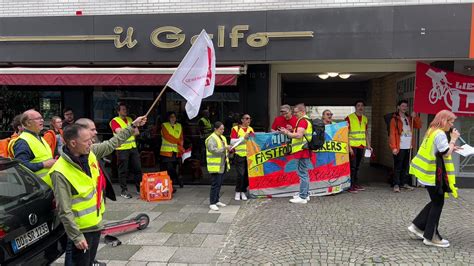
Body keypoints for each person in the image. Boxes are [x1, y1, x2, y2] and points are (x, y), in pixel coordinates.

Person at [408, 110, 459, 248]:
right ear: (444, 121)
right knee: (438, 203)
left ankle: (418, 226)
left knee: (436, 201)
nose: (452, 124)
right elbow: (445, 152)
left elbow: (438, 150)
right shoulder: (440, 134)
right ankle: (431, 237)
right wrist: (453, 140)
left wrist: (452, 147)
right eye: (451, 121)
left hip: (427, 173)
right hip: (433, 174)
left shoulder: (432, 130)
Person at [279, 103, 312, 204]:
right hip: (303, 150)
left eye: (296, 112)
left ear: (302, 112)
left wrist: (287, 133)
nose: (294, 114)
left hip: (301, 150)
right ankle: (305, 194)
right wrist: (289, 130)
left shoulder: (302, 121)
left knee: (302, 173)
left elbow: (298, 135)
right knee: (304, 173)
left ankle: (302, 197)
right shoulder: (306, 120)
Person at [109, 103, 142, 199]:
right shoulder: (114, 121)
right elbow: (120, 133)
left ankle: (139, 188)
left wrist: (129, 129)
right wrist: (131, 129)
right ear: (118, 111)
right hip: (122, 148)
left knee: (137, 168)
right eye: (123, 109)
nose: (125, 110)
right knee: (123, 171)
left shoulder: (130, 120)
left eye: (126, 109)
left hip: (132, 147)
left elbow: (137, 132)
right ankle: (124, 190)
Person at [389, 100, 422, 193]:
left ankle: (404, 183)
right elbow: (392, 134)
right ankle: (396, 184)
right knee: (398, 166)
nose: (404, 108)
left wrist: (415, 117)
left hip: (408, 146)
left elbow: (418, 125)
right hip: (400, 146)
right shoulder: (394, 119)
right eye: (403, 106)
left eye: (406, 106)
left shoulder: (409, 118)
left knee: (406, 166)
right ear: (398, 107)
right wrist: (394, 147)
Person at [12, 109, 56, 177]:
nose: (42, 120)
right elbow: (21, 166)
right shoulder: (22, 142)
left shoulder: (39, 137)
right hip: (37, 186)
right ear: (28, 123)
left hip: (46, 184)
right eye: (38, 118)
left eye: (41, 118)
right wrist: (44, 164)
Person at [345, 100, 372, 193]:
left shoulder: (365, 118)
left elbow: (365, 133)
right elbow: (346, 134)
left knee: (357, 166)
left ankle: (355, 184)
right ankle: (350, 185)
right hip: (352, 146)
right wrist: (349, 147)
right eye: (358, 105)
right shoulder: (349, 118)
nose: (360, 107)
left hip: (361, 146)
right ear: (355, 107)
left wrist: (368, 145)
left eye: (362, 106)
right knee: (352, 166)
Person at [206, 121, 232, 211]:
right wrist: (225, 148)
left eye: (223, 129)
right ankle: (212, 202)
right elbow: (213, 150)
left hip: (222, 164)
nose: (223, 130)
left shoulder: (223, 138)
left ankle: (216, 200)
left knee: (219, 184)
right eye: (221, 129)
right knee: (215, 184)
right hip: (215, 165)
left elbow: (224, 150)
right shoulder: (211, 138)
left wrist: (229, 149)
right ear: (215, 129)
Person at [230, 113, 254, 201]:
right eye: (247, 118)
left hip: (249, 155)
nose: (249, 120)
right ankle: (237, 191)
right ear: (242, 120)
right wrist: (243, 138)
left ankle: (243, 191)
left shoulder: (250, 129)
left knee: (247, 175)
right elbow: (232, 142)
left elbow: (253, 141)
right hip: (239, 155)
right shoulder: (235, 129)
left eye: (250, 118)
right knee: (241, 174)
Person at [160, 112, 184, 191]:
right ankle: (171, 184)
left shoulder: (179, 126)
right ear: (168, 118)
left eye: (174, 117)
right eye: (171, 117)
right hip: (166, 152)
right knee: (169, 169)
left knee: (173, 168)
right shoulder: (164, 125)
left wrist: (180, 146)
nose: (173, 118)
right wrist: (178, 142)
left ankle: (172, 183)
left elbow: (181, 137)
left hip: (176, 152)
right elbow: (167, 137)